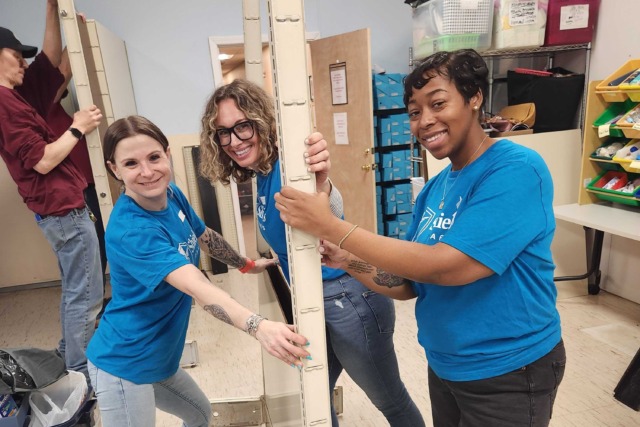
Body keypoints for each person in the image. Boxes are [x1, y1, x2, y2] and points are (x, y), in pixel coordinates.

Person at [273, 49, 566, 427]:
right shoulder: (436, 188)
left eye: (438, 103)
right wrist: (346, 260)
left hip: (509, 370)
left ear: (475, 97)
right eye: (414, 112)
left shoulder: (516, 169)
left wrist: (332, 227)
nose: (425, 121)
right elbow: (410, 282)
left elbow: (448, 267)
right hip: (448, 366)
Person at [199, 79, 425, 427]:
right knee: (314, 393)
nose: (234, 140)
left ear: (261, 121)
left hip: (350, 299)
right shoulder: (262, 172)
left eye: (242, 126)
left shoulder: (292, 165)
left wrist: (321, 180)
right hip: (314, 299)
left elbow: (327, 204)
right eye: (223, 133)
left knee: (390, 401)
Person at [86, 115, 311, 427]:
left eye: (154, 157)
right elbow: (196, 286)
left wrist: (244, 264)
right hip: (125, 363)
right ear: (114, 169)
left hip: (158, 359)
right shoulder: (131, 230)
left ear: (167, 153)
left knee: (199, 414)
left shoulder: (170, 194)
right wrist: (258, 326)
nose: (148, 172)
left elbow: (204, 236)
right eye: (131, 164)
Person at [0, 0, 103, 382]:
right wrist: (77, 127)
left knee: (77, 291)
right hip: (63, 212)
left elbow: (48, 58)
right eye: (15, 55)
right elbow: (42, 160)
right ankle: (81, 373)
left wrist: (52, 10)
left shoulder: (14, 97)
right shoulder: (4, 103)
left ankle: (68, 354)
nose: (23, 63)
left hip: (61, 212)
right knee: (86, 296)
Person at [47, 46, 110, 316]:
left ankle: (94, 312)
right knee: (87, 265)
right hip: (77, 192)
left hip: (90, 184)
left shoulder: (49, 101)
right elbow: (61, 72)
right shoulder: (36, 102)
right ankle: (86, 325)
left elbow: (61, 74)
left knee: (100, 251)